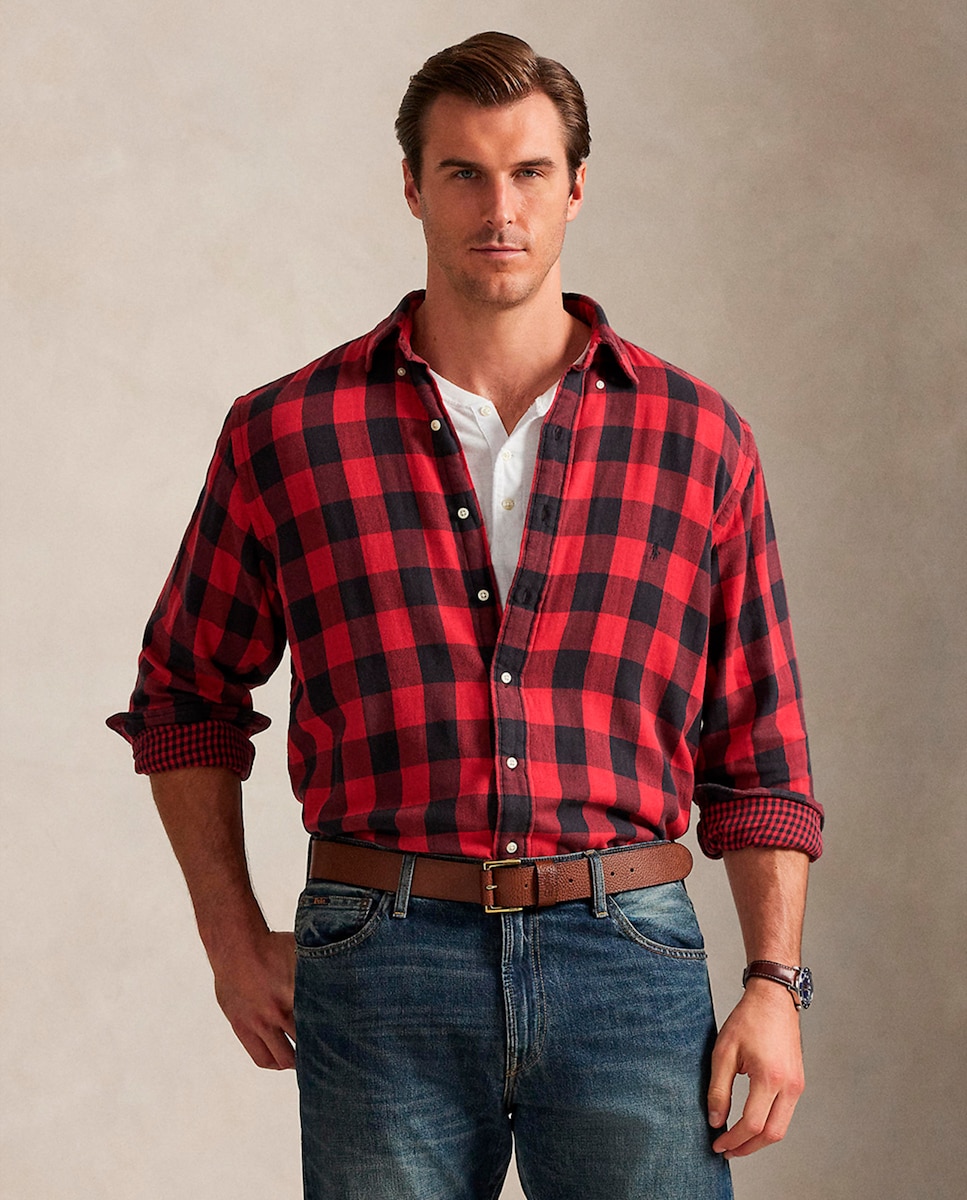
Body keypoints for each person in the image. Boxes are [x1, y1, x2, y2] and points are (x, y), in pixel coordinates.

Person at [108, 31, 822, 1200]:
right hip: (379, 957)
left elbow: (758, 742)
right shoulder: (286, 432)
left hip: (628, 959)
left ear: (576, 187)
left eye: (530, 172)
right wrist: (229, 938)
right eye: (464, 173)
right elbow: (183, 695)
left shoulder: (697, 440)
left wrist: (773, 985)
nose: (500, 208)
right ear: (412, 186)